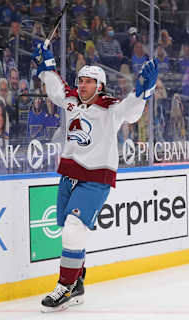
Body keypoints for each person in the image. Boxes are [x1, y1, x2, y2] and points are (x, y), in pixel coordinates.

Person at [31, 43, 158, 312]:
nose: (83, 85)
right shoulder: (71, 100)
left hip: (97, 177)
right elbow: (56, 88)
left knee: (74, 228)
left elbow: (131, 112)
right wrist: (46, 63)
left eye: (88, 82)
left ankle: (64, 286)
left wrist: (143, 92)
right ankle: (77, 284)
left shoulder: (110, 107)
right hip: (69, 175)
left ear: (99, 85)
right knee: (70, 231)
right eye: (81, 81)